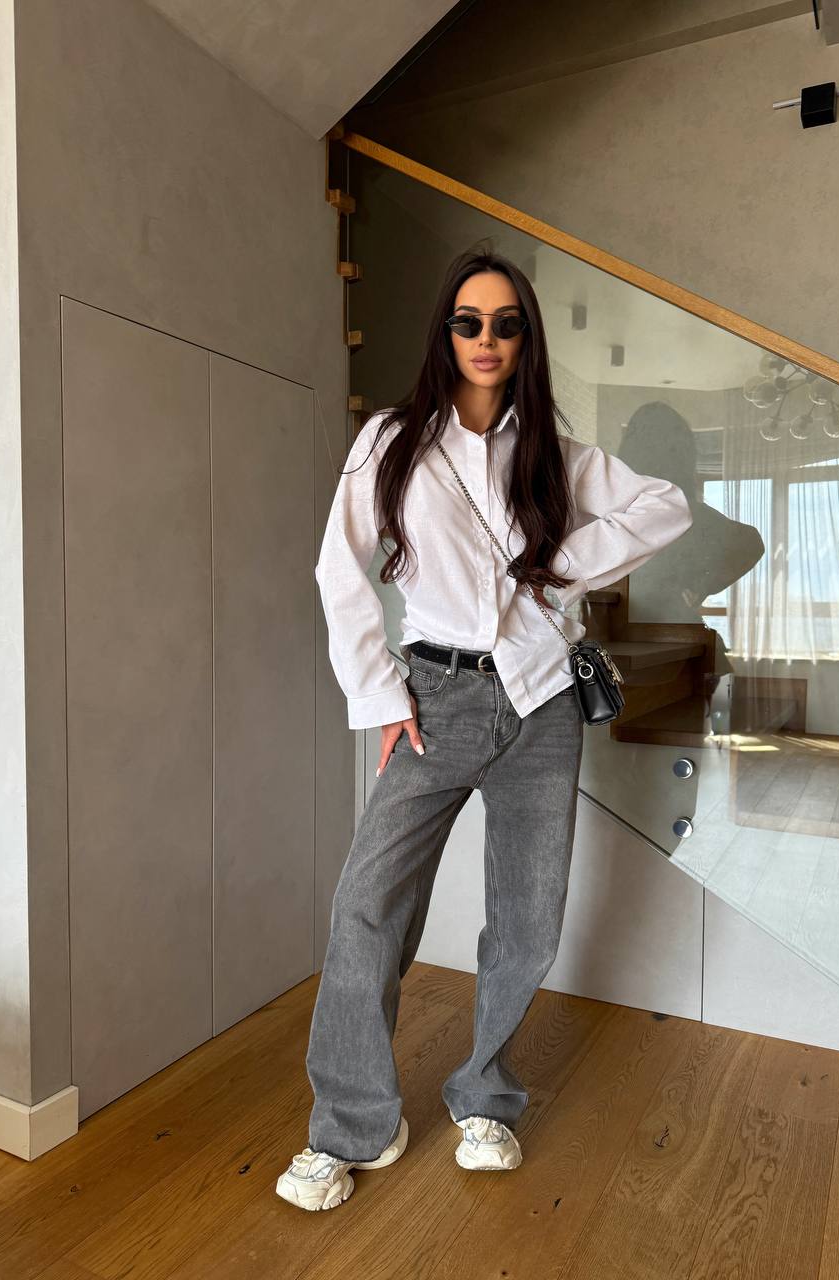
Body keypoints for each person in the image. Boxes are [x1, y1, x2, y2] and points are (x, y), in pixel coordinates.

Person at [276, 248, 693, 1212]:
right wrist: (382, 696)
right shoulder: (391, 440)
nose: (487, 339)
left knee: (526, 918)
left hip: (542, 704)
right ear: (445, 331)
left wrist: (560, 565)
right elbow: (340, 568)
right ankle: (352, 1126)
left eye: (507, 324)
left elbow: (663, 506)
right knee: (368, 904)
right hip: (434, 698)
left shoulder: (553, 452)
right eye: (469, 321)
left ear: (525, 339)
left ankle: (486, 1099)